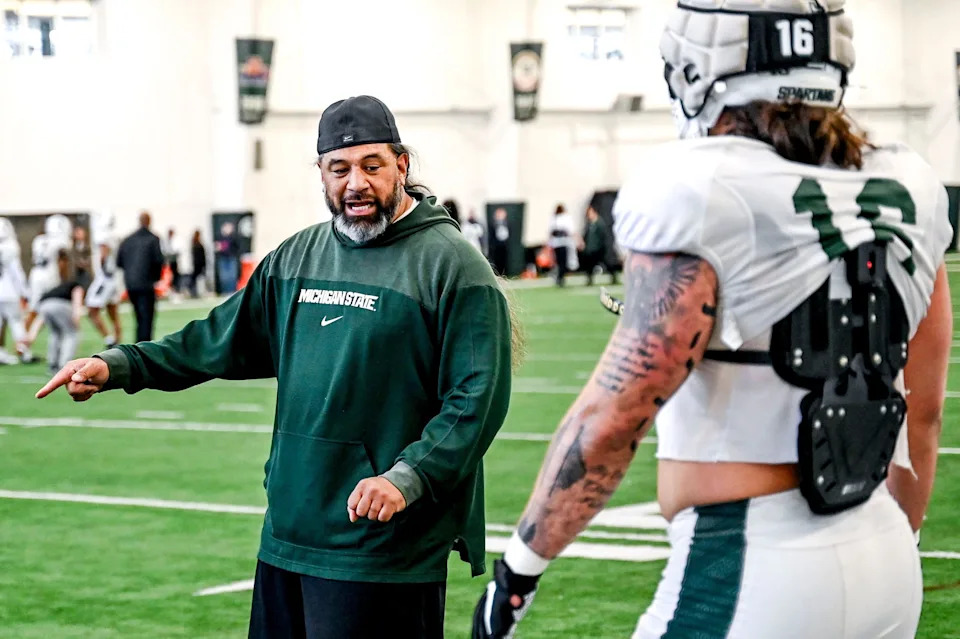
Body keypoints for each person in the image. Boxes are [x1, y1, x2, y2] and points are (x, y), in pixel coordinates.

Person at [473, 2, 952, 638]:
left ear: (702, 64)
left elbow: (614, 418)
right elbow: (923, 412)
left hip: (753, 559)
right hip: (883, 548)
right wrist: (895, 545)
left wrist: (519, 571)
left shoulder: (699, 185)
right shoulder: (909, 183)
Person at [38, 95, 515, 639]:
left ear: (402, 165)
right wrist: (117, 363)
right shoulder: (297, 258)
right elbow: (215, 339)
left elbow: (477, 397)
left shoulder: (452, 265)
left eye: (371, 165)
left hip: (380, 544)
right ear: (321, 173)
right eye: (339, 169)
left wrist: (407, 478)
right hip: (290, 533)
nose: (355, 183)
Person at [29, 250, 86, 375]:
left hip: (43, 304)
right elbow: (77, 297)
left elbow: (41, 317)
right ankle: (65, 364)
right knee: (72, 333)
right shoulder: (76, 285)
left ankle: (52, 363)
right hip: (60, 305)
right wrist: (76, 316)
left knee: (55, 333)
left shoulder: (58, 287)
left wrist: (32, 335)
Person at [117, 211, 164, 343]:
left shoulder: (128, 240)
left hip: (131, 284)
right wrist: (156, 278)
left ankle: (138, 345)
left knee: (138, 318)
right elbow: (158, 261)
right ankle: (143, 348)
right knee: (146, 319)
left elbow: (119, 262)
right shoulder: (153, 239)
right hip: (146, 284)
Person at [25, 214, 72, 334]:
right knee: (51, 306)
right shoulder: (61, 241)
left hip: (35, 275)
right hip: (50, 276)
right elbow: (62, 263)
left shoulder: (39, 240)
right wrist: (64, 282)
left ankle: (23, 341)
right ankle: (29, 338)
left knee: (34, 309)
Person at [86, 212, 123, 348]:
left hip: (106, 278)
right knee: (112, 312)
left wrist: (102, 268)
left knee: (91, 309)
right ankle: (117, 339)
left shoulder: (104, 236)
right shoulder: (114, 236)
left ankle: (109, 339)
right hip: (113, 277)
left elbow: (103, 254)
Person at [0, 217, 31, 365]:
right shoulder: (10, 246)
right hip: (10, 291)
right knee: (16, 322)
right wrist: (24, 291)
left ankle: (1, 353)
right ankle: (24, 352)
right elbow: (16, 271)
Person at [581, 205, 617, 286]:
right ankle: (589, 280)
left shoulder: (600, 223)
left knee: (606, 263)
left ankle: (613, 276)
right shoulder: (589, 224)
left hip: (599, 248)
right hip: (591, 249)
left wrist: (604, 246)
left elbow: (603, 236)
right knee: (589, 265)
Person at [547, 204, 578, 287]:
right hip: (558, 242)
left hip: (563, 241)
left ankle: (561, 276)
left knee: (562, 261)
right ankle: (560, 276)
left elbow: (570, 230)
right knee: (560, 261)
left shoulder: (564, 218)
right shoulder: (555, 218)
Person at [215, 222, 240, 294]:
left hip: (231, 258)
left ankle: (232, 291)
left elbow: (237, 247)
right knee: (224, 277)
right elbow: (216, 247)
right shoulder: (219, 237)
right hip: (223, 259)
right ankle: (225, 292)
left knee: (232, 276)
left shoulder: (233, 237)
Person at [162, 227, 182, 300]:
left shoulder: (175, 240)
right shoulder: (166, 241)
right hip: (168, 261)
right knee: (168, 277)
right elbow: (165, 250)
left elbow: (177, 250)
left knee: (175, 276)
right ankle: (170, 290)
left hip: (174, 261)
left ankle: (175, 290)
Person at [489, 207, 510, 275]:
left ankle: (504, 273)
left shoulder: (506, 223)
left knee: (504, 261)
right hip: (497, 246)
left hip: (504, 245)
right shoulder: (494, 224)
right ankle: (498, 273)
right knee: (497, 261)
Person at [188, 229, 208, 298]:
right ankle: (196, 292)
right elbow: (202, 256)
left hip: (196, 264)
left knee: (194, 279)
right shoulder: (199, 245)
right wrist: (204, 265)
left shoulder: (194, 244)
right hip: (199, 264)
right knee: (198, 279)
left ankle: (194, 292)